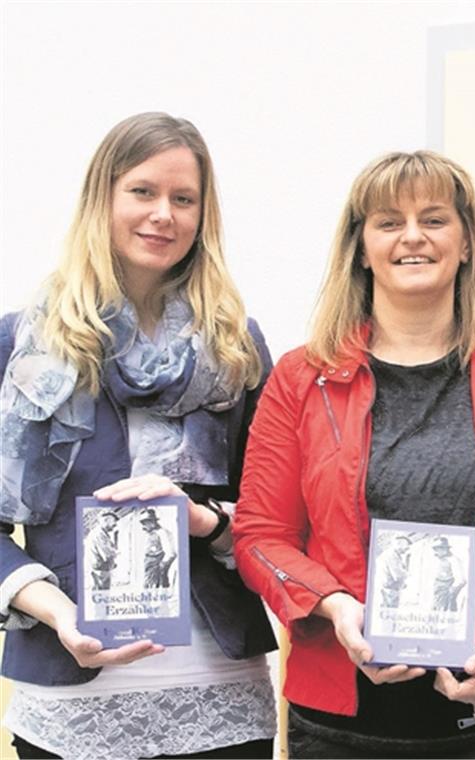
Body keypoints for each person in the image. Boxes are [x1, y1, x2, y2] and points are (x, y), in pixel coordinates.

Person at [233, 150, 475, 759]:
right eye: (388, 221)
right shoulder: (302, 379)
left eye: (434, 219)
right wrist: (337, 606)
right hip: (341, 725)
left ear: (465, 244)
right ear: (360, 247)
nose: (412, 237)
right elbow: (260, 535)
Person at [0, 112, 278, 759]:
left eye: (184, 199)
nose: (164, 215)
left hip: (220, 697)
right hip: (69, 697)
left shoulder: (238, 347)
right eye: (144, 192)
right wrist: (58, 613)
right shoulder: (20, 346)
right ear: (104, 197)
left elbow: (276, 517)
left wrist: (205, 520)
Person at [139, 510, 176, 589]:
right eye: (143, 523)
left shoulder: (162, 532)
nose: (144, 525)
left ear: (152, 522)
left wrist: (163, 564)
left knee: (155, 587)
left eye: (146, 523)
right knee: (149, 587)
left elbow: (171, 552)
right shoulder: (149, 533)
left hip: (157, 564)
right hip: (149, 565)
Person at [87, 511, 122, 592]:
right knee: (102, 598)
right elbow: (108, 555)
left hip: (102, 571)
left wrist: (116, 537)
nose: (115, 524)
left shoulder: (103, 534)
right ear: (106, 520)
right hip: (101, 572)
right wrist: (116, 552)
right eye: (113, 521)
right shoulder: (99, 534)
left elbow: (111, 549)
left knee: (102, 598)